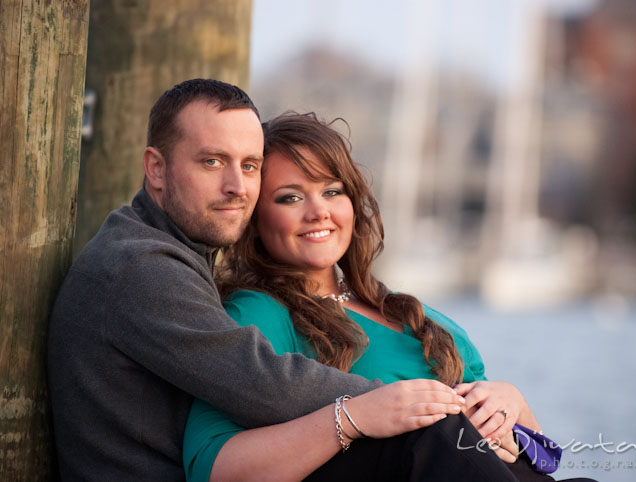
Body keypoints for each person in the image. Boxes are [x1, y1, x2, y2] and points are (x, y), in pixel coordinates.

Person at [46, 80, 474, 481]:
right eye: (212, 162)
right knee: (429, 440)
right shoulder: (141, 267)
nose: (236, 187)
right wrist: (398, 404)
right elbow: (264, 384)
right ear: (156, 169)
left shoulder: (161, 250)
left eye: (249, 166)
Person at [184, 112, 596, 482]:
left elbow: (539, 461)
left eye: (332, 191)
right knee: (436, 432)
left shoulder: (407, 310)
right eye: (290, 197)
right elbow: (210, 466)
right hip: (400, 462)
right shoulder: (259, 313)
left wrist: (514, 406)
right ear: (256, 219)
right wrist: (354, 417)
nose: (318, 211)